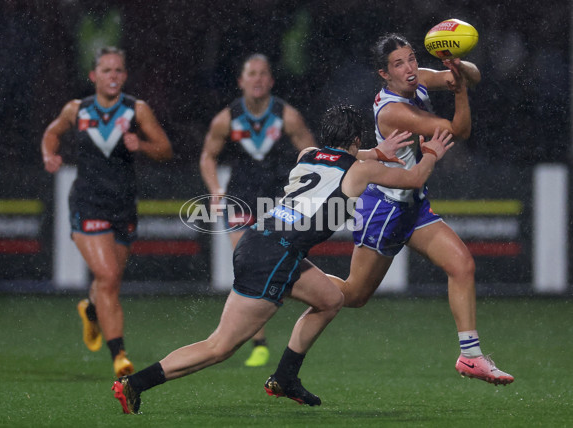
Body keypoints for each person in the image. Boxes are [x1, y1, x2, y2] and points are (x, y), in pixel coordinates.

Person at [112, 104, 454, 414]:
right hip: (273, 257)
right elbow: (414, 178)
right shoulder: (361, 171)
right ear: (355, 139)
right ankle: (135, 384)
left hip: (260, 243)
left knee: (331, 298)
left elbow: (338, 157)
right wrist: (431, 153)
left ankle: (285, 377)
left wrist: (375, 151)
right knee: (220, 346)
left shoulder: (307, 154)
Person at [305, 34, 510, 385]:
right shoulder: (394, 111)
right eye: (399, 64)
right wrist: (460, 91)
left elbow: (473, 76)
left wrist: (460, 67)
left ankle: (471, 357)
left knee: (462, 265)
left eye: (412, 58)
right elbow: (458, 130)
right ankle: (283, 274)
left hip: (412, 206)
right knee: (354, 295)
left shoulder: (417, 81)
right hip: (385, 209)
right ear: (385, 74)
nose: (410, 68)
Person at [41, 47, 173, 377]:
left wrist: (141, 145)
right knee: (109, 278)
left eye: (118, 71)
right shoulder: (77, 109)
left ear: (124, 76)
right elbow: (51, 133)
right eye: (106, 70)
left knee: (108, 281)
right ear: (93, 76)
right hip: (87, 203)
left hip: (122, 206)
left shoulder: (136, 109)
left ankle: (92, 311)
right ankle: (120, 357)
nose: (112, 76)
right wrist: (49, 155)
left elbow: (165, 150)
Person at [199, 53, 316, 368]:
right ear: (241, 81)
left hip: (277, 202)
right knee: (250, 266)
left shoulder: (287, 116)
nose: (258, 79)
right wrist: (215, 190)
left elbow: (311, 154)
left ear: (271, 80)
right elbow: (208, 156)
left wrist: (307, 189)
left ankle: (269, 314)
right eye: (252, 73)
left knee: (278, 266)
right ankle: (257, 341)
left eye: (263, 73)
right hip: (240, 199)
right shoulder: (227, 118)